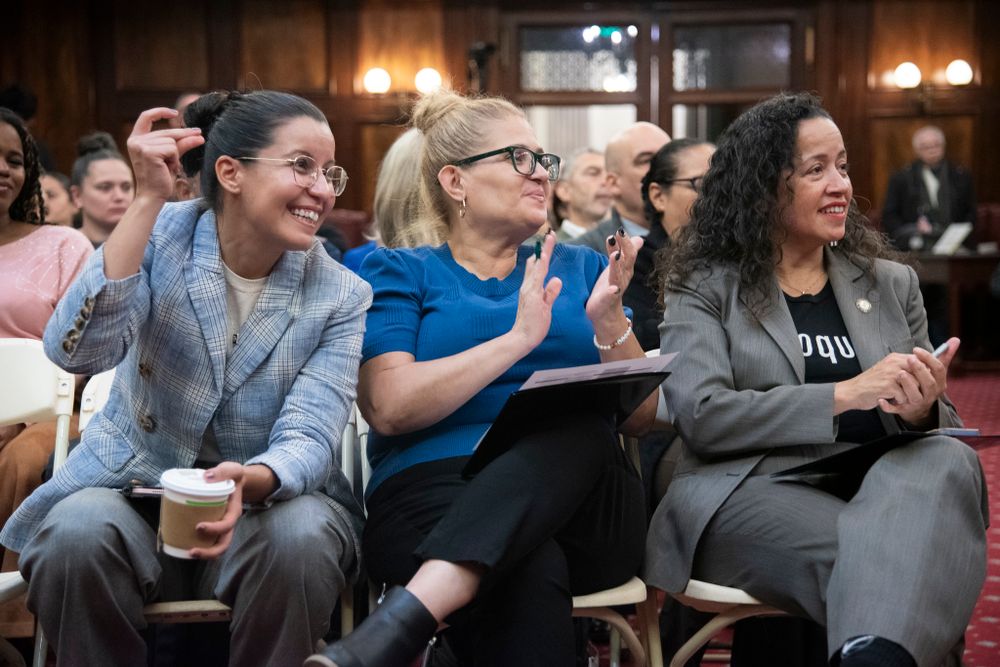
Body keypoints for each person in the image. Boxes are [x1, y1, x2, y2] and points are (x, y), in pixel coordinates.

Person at [1, 91, 371, 666]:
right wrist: (146, 197)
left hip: (266, 506)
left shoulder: (340, 292)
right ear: (230, 173)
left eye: (329, 173)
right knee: (73, 535)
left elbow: (313, 429)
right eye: (302, 166)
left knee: (301, 538)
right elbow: (78, 352)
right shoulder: (161, 235)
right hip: (131, 491)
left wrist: (253, 478)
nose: (322, 189)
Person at [307, 88, 656, 667]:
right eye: (520, 158)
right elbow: (389, 407)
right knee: (527, 564)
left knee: (578, 419)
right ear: (455, 181)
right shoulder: (400, 272)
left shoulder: (586, 268)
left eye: (544, 160)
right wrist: (517, 341)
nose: (540, 174)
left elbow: (641, 419)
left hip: (587, 509)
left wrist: (610, 320)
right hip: (431, 497)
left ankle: (406, 619)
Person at [645, 92, 988, 667]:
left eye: (844, 166)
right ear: (761, 187)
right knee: (914, 563)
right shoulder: (705, 285)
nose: (842, 186)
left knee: (949, 461)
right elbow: (701, 417)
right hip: (746, 491)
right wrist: (843, 395)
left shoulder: (890, 283)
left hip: (877, 486)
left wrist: (920, 410)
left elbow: (940, 427)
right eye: (815, 170)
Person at [0, 107, 92, 639]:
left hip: (51, 417)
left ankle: (12, 628)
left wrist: (21, 408)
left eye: (14, 159)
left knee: (24, 457)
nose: (4, 170)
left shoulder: (64, 246)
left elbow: (90, 354)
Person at [627, 138, 714, 351]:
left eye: (724, 184)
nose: (717, 197)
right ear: (658, 196)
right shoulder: (634, 263)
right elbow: (638, 337)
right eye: (702, 185)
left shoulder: (741, 257)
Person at [569, 121, 670, 253]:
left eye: (669, 159)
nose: (664, 168)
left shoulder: (699, 242)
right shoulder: (581, 255)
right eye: (646, 160)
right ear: (613, 183)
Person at [882, 125, 976, 252]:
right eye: (926, 147)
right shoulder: (901, 178)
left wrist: (958, 234)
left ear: (943, 146)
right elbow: (890, 216)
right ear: (917, 150)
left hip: (955, 242)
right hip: (915, 243)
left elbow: (970, 213)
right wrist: (912, 231)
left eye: (936, 145)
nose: (932, 150)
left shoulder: (960, 175)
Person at [69, 131, 135, 246]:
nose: (119, 196)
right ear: (77, 196)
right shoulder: (63, 249)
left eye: (126, 187)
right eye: (105, 188)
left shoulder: (150, 246)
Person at [551, 148, 612, 241]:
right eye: (593, 173)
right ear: (564, 191)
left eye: (609, 176)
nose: (605, 181)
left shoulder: (622, 245)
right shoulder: (548, 250)